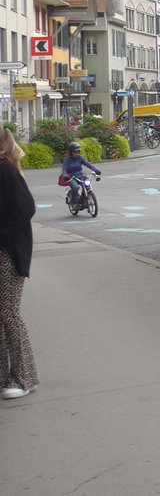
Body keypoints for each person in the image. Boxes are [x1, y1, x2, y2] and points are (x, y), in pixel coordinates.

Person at [0, 126, 38, 399]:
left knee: (9, 313)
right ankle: (4, 377)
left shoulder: (4, 170)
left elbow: (26, 208)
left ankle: (25, 377)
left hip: (8, 252)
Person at [60, 142, 101, 209]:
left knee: (87, 185)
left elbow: (88, 164)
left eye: (78, 151)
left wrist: (96, 170)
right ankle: (73, 203)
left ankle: (84, 200)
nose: (77, 153)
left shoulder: (80, 158)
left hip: (81, 175)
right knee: (75, 187)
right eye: (75, 151)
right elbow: (64, 169)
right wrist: (65, 176)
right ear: (71, 152)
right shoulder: (67, 160)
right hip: (71, 177)